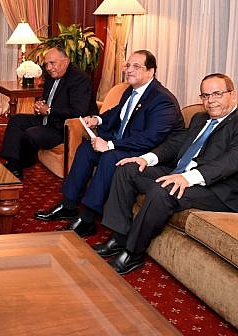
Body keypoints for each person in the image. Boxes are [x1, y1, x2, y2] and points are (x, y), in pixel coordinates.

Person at [96, 73, 238, 275]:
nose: (210, 101)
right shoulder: (199, 118)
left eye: (217, 94)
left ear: (233, 95)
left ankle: (132, 253)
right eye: (205, 96)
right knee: (127, 169)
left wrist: (186, 178)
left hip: (217, 190)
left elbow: (230, 161)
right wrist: (146, 158)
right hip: (179, 173)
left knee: (162, 190)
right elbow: (176, 144)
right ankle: (119, 238)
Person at [34, 50, 184, 237]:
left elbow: (150, 138)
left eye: (136, 66)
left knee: (108, 157)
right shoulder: (131, 90)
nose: (129, 70)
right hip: (127, 143)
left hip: (147, 153)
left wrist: (111, 144)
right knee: (87, 149)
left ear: (151, 71)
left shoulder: (162, 100)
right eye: (127, 65)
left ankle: (88, 219)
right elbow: (118, 112)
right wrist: (97, 119)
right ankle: (68, 204)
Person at [0, 47, 97, 180]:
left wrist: (49, 110)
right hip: (48, 119)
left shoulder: (79, 79)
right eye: (46, 64)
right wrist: (40, 105)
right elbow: (49, 99)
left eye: (52, 63)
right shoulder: (52, 75)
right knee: (16, 120)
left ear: (66, 61)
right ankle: (13, 162)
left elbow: (78, 111)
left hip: (63, 127)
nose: (49, 68)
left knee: (31, 134)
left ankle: (22, 163)